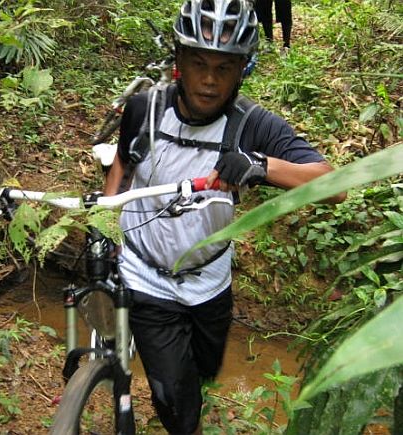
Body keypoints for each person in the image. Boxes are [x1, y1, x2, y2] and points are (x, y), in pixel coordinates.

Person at [103, 0, 345, 434]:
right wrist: (106, 216)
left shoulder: (252, 125)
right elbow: (123, 160)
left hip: (209, 280)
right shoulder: (144, 109)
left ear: (243, 70)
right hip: (146, 275)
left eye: (224, 67)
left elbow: (334, 185)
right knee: (174, 399)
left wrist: (259, 165)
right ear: (179, 60)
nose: (210, 80)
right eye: (198, 63)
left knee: (204, 369)